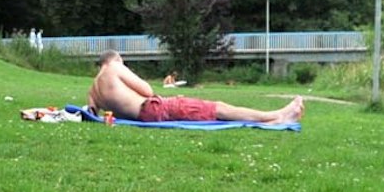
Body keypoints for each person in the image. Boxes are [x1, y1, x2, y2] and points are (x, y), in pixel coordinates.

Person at [88, 51, 303, 125]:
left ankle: (273, 118)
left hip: (148, 112)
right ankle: (276, 116)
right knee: (217, 108)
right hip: (153, 109)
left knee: (210, 108)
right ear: (115, 59)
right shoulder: (114, 67)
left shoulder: (93, 89)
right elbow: (146, 90)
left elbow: (91, 112)